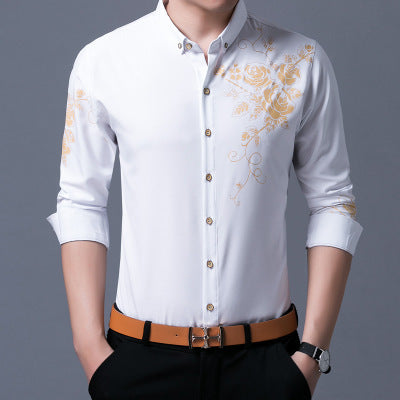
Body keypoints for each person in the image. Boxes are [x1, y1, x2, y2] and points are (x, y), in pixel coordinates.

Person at [45, 0, 364, 399]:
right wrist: (90, 348)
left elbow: (333, 201)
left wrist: (312, 354)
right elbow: (81, 201)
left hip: (267, 365)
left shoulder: (302, 61)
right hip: (139, 365)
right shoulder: (104, 61)